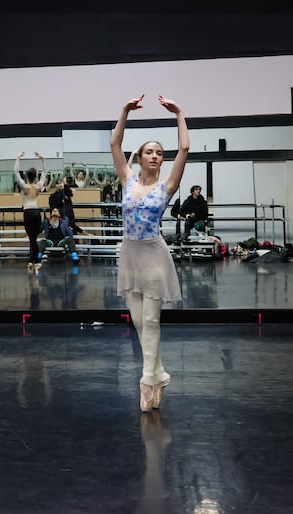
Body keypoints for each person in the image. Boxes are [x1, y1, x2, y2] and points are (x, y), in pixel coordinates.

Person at [110, 94, 189, 414]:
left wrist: (179, 113)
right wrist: (125, 110)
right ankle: (159, 373)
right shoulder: (127, 179)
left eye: (159, 153)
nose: (155, 156)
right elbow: (115, 144)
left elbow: (184, 149)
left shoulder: (167, 186)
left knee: (151, 321)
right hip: (130, 255)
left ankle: (146, 380)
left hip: (154, 256)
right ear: (140, 158)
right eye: (150, 152)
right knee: (139, 323)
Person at [13, 151, 46, 272]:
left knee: (32, 238)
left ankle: (36, 260)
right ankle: (33, 260)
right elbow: (45, 174)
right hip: (36, 212)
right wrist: (43, 160)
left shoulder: (24, 186)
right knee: (33, 238)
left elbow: (16, 173)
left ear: (27, 176)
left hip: (28, 212)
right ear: (35, 176)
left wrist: (18, 158)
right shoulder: (38, 186)